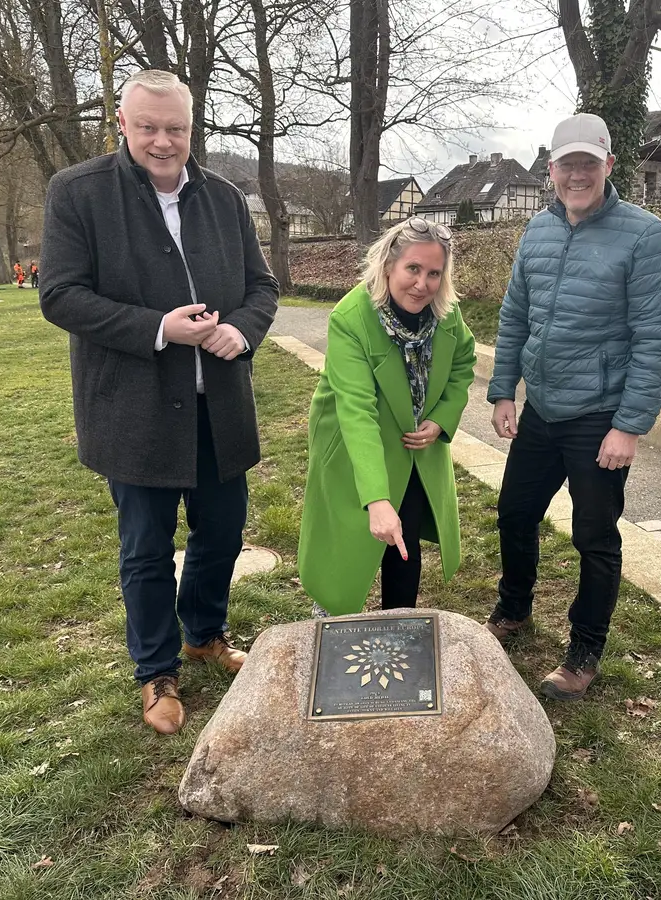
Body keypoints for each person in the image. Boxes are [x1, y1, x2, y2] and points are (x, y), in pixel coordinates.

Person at [40, 69, 278, 736]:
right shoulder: (77, 193)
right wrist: (160, 328)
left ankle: (204, 632)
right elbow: (59, 295)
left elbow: (262, 287)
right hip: (133, 410)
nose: (163, 140)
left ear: (191, 127)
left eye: (175, 127)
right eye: (148, 126)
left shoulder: (226, 198)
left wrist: (242, 329)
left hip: (219, 407)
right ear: (122, 123)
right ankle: (156, 671)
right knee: (145, 548)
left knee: (222, 532)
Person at [484, 113, 661, 701]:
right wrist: (502, 389)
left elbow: (655, 335)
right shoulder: (536, 233)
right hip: (542, 409)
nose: (577, 175)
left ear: (608, 167)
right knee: (516, 513)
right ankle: (514, 608)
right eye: (566, 164)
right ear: (550, 170)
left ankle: (584, 650)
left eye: (588, 164)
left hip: (600, 416)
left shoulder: (645, 236)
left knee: (594, 536)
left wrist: (629, 426)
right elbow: (516, 315)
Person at [298, 218, 477, 617]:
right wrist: (377, 499)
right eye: (413, 269)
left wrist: (442, 418)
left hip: (412, 443)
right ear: (388, 266)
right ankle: (332, 612)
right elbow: (357, 410)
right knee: (349, 531)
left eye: (434, 273)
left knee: (405, 532)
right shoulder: (351, 318)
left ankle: (400, 619)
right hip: (350, 441)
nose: (422, 284)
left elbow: (464, 362)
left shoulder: (446, 314)